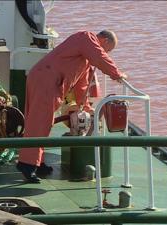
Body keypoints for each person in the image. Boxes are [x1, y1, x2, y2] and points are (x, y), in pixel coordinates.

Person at [16, 30, 128, 183]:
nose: (106, 52)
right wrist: (117, 74)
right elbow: (100, 57)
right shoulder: (86, 37)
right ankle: (27, 165)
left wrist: (85, 107)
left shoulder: (85, 59)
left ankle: (37, 162)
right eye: (108, 49)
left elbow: (81, 86)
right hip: (46, 81)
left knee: (43, 123)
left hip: (46, 80)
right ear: (105, 41)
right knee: (39, 122)